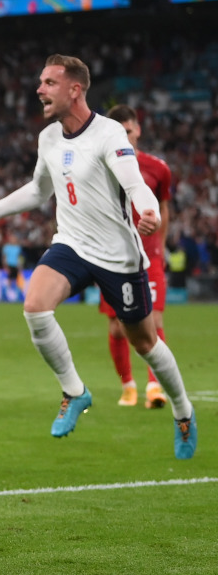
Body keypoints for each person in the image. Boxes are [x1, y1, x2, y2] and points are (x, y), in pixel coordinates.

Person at [0, 54, 196, 460]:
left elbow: (134, 182)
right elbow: (38, 191)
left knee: (144, 341)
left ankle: (183, 412)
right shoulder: (49, 137)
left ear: (75, 89)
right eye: (41, 82)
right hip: (71, 243)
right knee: (35, 306)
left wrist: (148, 209)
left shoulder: (108, 134)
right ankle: (75, 391)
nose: (39, 90)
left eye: (49, 82)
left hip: (117, 255)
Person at [98, 105, 173, 409]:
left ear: (137, 130)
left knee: (153, 319)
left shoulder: (158, 168)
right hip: (112, 256)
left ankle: (155, 386)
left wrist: (160, 245)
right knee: (118, 327)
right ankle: (128, 385)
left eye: (128, 131)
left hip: (149, 256)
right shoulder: (101, 166)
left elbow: (164, 209)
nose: (125, 137)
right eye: (119, 132)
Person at [1, 232, 26, 299]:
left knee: (17, 281)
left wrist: (20, 267)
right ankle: (4, 295)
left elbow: (19, 258)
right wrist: (5, 266)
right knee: (9, 280)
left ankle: (17, 296)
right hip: (9, 265)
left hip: (16, 266)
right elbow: (4, 257)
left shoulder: (18, 248)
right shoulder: (7, 247)